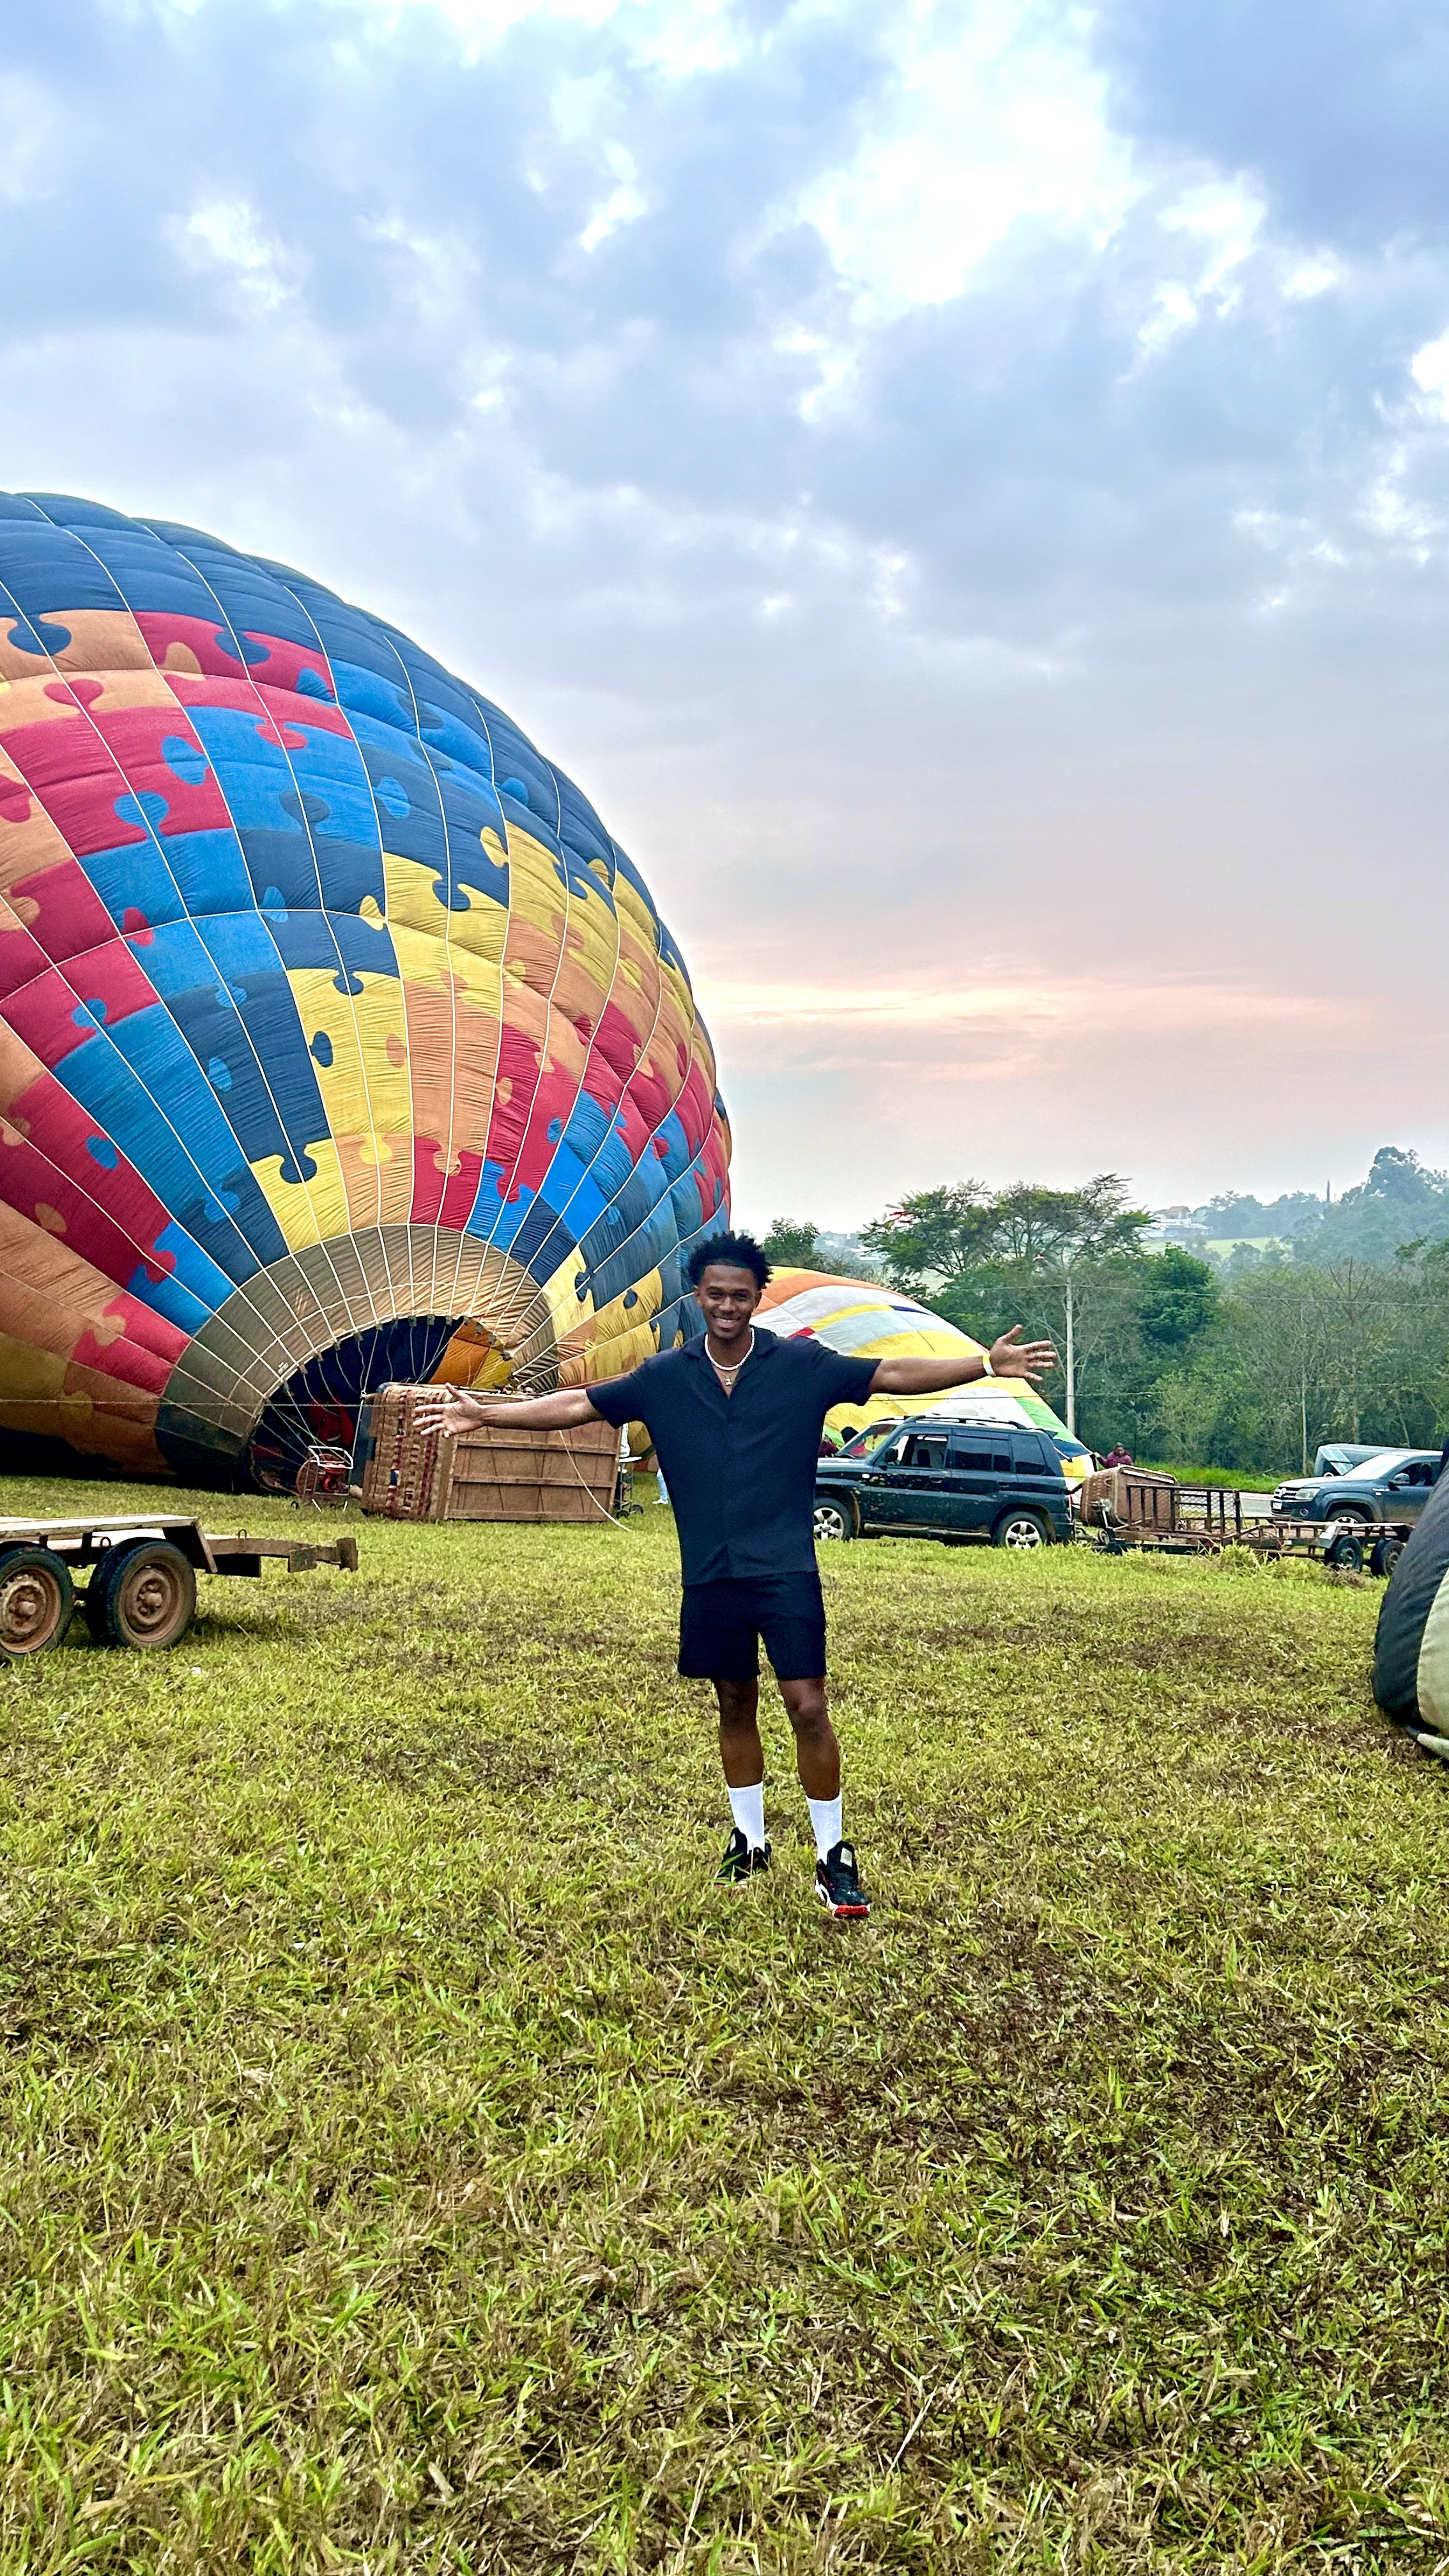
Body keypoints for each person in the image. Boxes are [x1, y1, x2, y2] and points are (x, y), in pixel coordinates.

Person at [414, 1231, 1057, 1920]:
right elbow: (578, 1405)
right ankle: (748, 1841)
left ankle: (832, 1856)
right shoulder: (663, 1376)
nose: (727, 1306)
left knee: (808, 1705)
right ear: (698, 1296)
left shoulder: (800, 1365)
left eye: (740, 1296)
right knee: (733, 1704)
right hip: (712, 1574)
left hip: (785, 1570)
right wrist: (487, 1412)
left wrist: (984, 1363)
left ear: (756, 1300)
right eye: (716, 1294)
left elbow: (890, 1375)